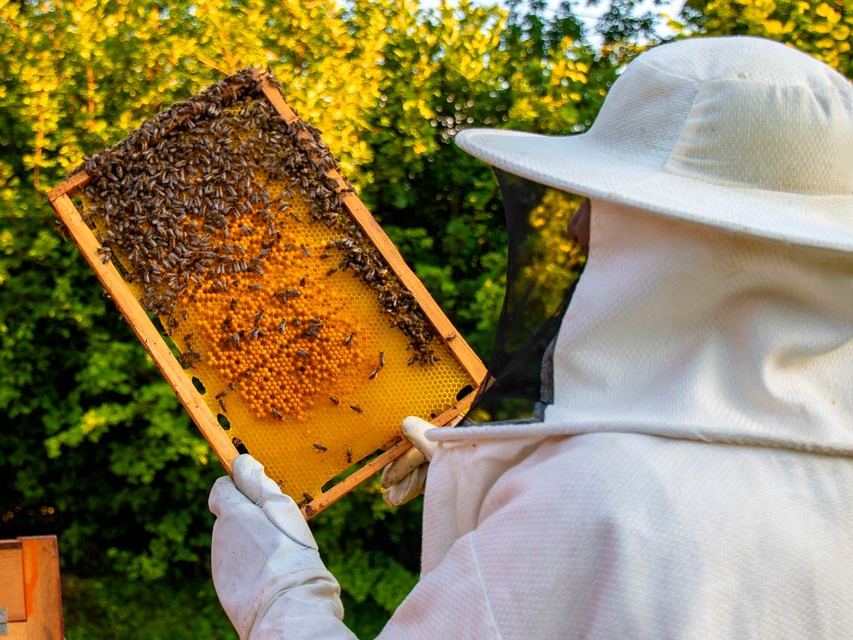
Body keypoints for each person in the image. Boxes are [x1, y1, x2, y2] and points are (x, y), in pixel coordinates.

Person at [209, 36, 853, 638]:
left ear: (681, 240)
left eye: (603, 201)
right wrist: (480, 470)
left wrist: (282, 594)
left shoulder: (592, 502)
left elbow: (600, 516)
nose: (574, 226)